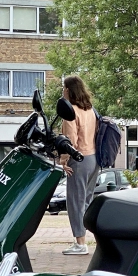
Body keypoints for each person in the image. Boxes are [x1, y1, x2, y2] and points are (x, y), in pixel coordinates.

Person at [59, 75, 99, 255]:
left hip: (79, 160)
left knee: (75, 201)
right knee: (87, 201)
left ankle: (80, 243)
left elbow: (70, 141)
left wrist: (63, 160)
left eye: (63, 88)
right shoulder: (90, 110)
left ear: (68, 90)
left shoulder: (70, 112)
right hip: (94, 159)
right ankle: (96, 237)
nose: (62, 91)